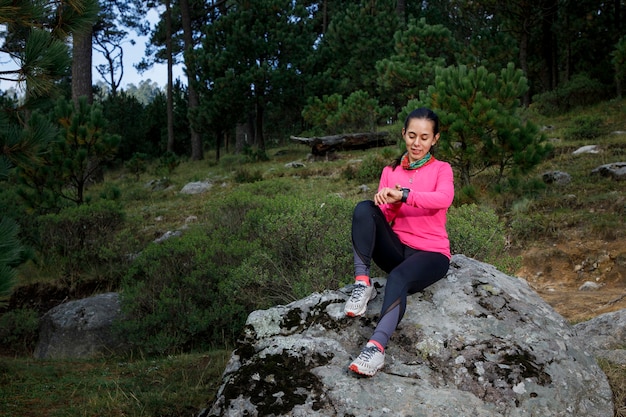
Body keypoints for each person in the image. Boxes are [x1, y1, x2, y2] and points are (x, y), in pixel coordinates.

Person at [344, 107, 454, 377]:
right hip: (397, 248)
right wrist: (387, 202)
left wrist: (404, 194)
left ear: (435, 139)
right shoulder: (390, 171)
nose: (417, 143)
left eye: (425, 137)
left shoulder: (442, 169)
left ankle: (376, 348)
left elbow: (443, 199)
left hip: (431, 254)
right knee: (363, 208)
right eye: (412, 135)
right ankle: (362, 283)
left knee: (398, 278)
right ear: (403, 133)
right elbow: (381, 219)